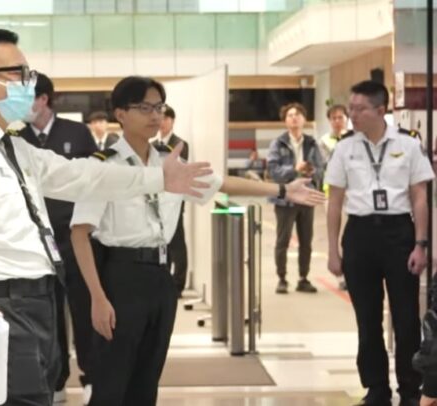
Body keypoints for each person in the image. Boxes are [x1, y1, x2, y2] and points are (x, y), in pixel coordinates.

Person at [0, 28, 218, 406]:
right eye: (18, 74)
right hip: (1, 306)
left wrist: (159, 177)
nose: (28, 85)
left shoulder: (11, 146)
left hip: (36, 303)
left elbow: (82, 175)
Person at [70, 76, 325, 406]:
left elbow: (223, 184)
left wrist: (282, 190)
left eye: (158, 108)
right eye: (144, 108)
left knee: (147, 381)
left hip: (161, 277)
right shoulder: (103, 166)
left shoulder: (169, 162)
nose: (154, 115)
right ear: (120, 113)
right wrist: (97, 297)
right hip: (120, 278)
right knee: (110, 383)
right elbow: (80, 234)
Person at [326, 80, 433, 406]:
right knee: (367, 318)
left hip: (399, 234)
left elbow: (419, 197)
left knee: (406, 318)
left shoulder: (408, 144)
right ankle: (376, 388)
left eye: (359, 109)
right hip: (359, 235)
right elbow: (334, 202)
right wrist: (333, 249)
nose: (352, 115)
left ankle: (410, 390)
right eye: (351, 108)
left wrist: (421, 244)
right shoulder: (345, 148)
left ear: (380, 110)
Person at [19, 72, 99, 403]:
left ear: (44, 99)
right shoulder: (15, 137)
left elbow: (94, 181)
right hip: (34, 243)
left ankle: (91, 376)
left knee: (83, 310)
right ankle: (56, 379)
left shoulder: (77, 134)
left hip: (74, 239)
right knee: (47, 315)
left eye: (27, 97)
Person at [267, 102, 324, 294]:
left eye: (298, 115)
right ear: (285, 120)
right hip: (285, 199)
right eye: (290, 115)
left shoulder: (312, 143)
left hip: (306, 197)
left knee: (306, 240)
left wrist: (313, 170)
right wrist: (295, 169)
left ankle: (303, 278)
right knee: (282, 240)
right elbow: (274, 171)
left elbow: (321, 168)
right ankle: (282, 279)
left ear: (304, 120)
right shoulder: (278, 143)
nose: (294, 118)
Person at [151, 105, 190, 296]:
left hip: (174, 201)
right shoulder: (152, 144)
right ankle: (164, 280)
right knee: (162, 243)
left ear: (172, 121)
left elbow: (176, 171)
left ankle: (179, 283)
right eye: (160, 117)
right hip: (158, 202)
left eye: (166, 118)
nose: (162, 122)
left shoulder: (180, 143)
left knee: (177, 243)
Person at [320, 104, 353, 291]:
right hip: (331, 194)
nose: (337, 121)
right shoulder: (324, 141)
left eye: (340, 117)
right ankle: (341, 275)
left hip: (353, 194)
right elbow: (327, 163)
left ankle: (351, 274)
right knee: (337, 234)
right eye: (333, 118)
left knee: (350, 235)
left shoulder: (356, 137)